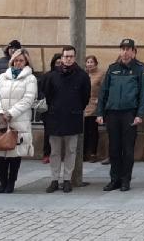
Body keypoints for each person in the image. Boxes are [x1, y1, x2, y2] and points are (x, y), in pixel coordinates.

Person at [96, 38, 144, 192]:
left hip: (129, 114)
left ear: (134, 52)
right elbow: (103, 92)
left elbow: (143, 94)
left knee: (127, 149)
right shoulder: (112, 68)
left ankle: (125, 180)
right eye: (123, 49)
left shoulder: (140, 69)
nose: (125, 52)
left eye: (128, 49)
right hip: (112, 113)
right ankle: (114, 179)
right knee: (113, 149)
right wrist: (100, 112)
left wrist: (140, 114)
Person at [0, 48, 38, 193]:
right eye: (16, 60)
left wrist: (10, 114)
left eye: (21, 61)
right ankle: (2, 182)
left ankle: (11, 182)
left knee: (14, 152)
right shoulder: (2, 77)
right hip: (0, 120)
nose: (18, 63)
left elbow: (28, 99)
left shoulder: (30, 78)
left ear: (26, 62)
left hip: (18, 119)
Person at [43, 45, 91, 193]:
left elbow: (85, 97)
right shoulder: (52, 75)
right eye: (66, 56)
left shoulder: (82, 75)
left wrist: (76, 108)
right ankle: (54, 179)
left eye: (71, 56)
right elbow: (47, 96)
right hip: (55, 117)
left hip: (73, 116)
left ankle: (67, 179)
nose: (68, 59)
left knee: (71, 151)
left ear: (74, 58)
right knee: (55, 151)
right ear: (61, 58)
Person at [39, 53, 62, 164]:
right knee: (48, 133)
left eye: (60, 63)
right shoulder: (47, 76)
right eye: (57, 63)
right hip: (48, 110)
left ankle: (59, 154)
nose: (59, 65)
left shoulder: (66, 76)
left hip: (61, 109)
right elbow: (41, 91)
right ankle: (47, 153)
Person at [83, 55, 105, 162]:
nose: (89, 64)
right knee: (84, 131)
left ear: (96, 63)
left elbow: (104, 89)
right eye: (88, 62)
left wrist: (100, 100)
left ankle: (93, 153)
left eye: (91, 62)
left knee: (93, 131)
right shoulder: (84, 74)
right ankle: (83, 153)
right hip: (84, 106)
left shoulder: (101, 74)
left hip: (94, 105)